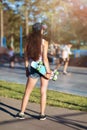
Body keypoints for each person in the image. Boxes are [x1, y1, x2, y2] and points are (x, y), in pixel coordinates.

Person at [15, 22, 51, 120]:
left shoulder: (28, 42)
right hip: (43, 68)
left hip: (34, 67)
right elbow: (45, 59)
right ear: (41, 30)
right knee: (43, 92)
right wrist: (48, 71)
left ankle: (21, 113)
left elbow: (26, 57)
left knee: (27, 92)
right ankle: (42, 114)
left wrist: (27, 69)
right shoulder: (44, 42)